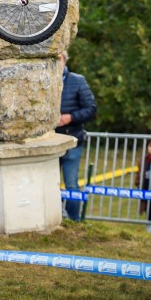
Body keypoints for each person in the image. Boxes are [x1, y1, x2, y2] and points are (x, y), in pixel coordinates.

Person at [55, 50, 96, 221]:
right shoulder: (43, 79)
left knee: (71, 183)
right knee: (49, 184)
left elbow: (91, 109)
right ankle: (54, 217)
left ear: (65, 60)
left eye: (58, 60)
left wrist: (70, 117)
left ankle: (74, 220)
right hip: (50, 142)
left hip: (72, 140)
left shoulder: (77, 81)